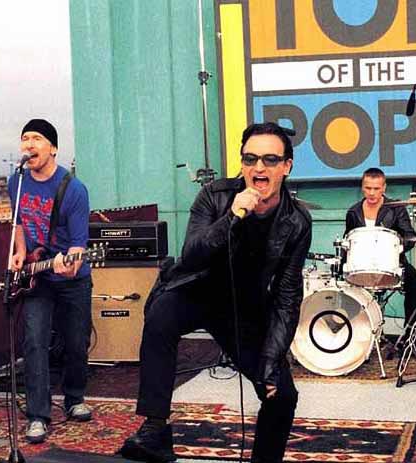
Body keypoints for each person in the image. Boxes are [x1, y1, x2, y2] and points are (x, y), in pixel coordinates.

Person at [119, 122, 312, 463]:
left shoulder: (297, 221)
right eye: (250, 159)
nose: (259, 168)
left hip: (244, 306)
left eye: (270, 159)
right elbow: (192, 253)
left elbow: (287, 294)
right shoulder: (215, 195)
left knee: (281, 393)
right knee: (161, 315)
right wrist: (233, 216)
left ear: (287, 166)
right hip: (197, 288)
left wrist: (272, 357)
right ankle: (155, 429)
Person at [7, 119, 93, 443]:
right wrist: (19, 252)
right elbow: (18, 223)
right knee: (34, 341)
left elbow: (79, 245)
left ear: (53, 148)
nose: (29, 144)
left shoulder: (74, 189)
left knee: (76, 341)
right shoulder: (16, 182)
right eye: (25, 138)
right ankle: (37, 415)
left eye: (37, 138)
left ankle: (74, 398)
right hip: (36, 275)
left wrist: (69, 263)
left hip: (71, 276)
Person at [344, 168, 416, 338]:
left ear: (384, 188)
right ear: (362, 187)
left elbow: (410, 236)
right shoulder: (353, 212)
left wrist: (397, 248)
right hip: (361, 264)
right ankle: (354, 334)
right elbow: (348, 239)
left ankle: (410, 335)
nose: (372, 193)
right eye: (368, 188)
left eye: (376, 188)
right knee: (344, 285)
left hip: (391, 263)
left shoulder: (396, 209)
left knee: (415, 279)